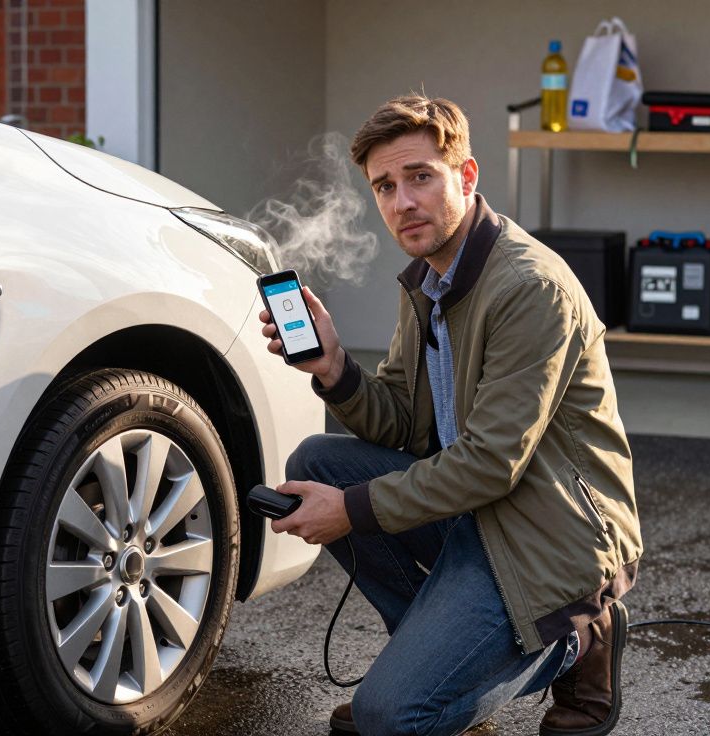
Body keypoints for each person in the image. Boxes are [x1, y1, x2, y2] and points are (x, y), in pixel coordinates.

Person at [257, 95, 642, 736]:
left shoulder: (527, 288)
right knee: (317, 461)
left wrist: (348, 511)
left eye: (420, 177)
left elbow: (492, 463)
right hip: (478, 515)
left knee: (391, 718)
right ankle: (438, 661)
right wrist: (333, 369)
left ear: (465, 176)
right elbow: (407, 424)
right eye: (384, 186)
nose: (402, 201)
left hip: (551, 536)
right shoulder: (430, 280)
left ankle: (577, 639)